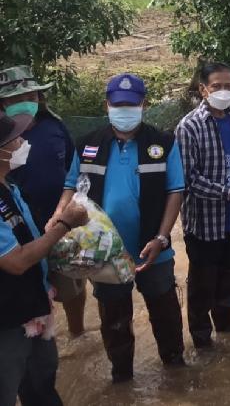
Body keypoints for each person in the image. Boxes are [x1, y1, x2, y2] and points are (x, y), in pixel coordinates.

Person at [50, 73, 185, 382]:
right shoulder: (87, 144)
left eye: (132, 104)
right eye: (118, 104)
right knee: (114, 319)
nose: (125, 110)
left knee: (165, 312)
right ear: (107, 105)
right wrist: (59, 216)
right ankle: (122, 379)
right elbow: (70, 187)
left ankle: (176, 373)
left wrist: (162, 238)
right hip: (104, 253)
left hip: (154, 250)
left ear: (144, 105)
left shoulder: (163, 143)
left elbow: (175, 191)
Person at [0, 113, 88, 406]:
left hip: (32, 305)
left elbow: (30, 240)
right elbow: (16, 262)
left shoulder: (9, 187)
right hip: (8, 319)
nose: (23, 143)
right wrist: (65, 224)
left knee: (42, 382)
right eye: (15, 139)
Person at [176, 62, 230, 349]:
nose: (224, 91)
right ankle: (202, 343)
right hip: (205, 223)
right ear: (203, 90)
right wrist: (228, 192)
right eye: (217, 86)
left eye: (229, 86)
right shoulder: (189, 127)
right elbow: (188, 179)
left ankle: (229, 334)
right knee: (202, 286)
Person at [1, 66, 86, 338]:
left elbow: (73, 171)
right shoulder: (4, 140)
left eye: (31, 96)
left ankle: (76, 336)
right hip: (18, 232)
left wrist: (64, 213)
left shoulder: (54, 127)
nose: (26, 102)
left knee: (71, 287)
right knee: (29, 290)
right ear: (3, 104)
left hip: (62, 223)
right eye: (16, 99)